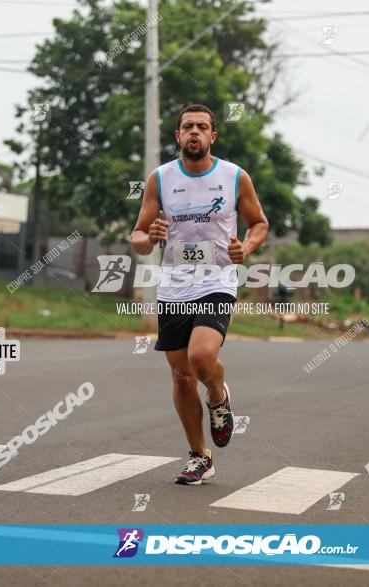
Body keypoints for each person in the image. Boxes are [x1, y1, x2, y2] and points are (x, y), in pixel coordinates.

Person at [130, 104, 269, 485]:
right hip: (174, 285)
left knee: (201, 356)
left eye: (202, 127)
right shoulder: (160, 179)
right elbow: (138, 236)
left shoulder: (234, 177)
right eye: (187, 126)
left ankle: (219, 396)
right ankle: (199, 456)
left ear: (213, 136)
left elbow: (258, 223)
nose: (195, 132)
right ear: (177, 136)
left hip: (217, 280)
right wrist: (150, 238)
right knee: (181, 378)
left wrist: (248, 249)